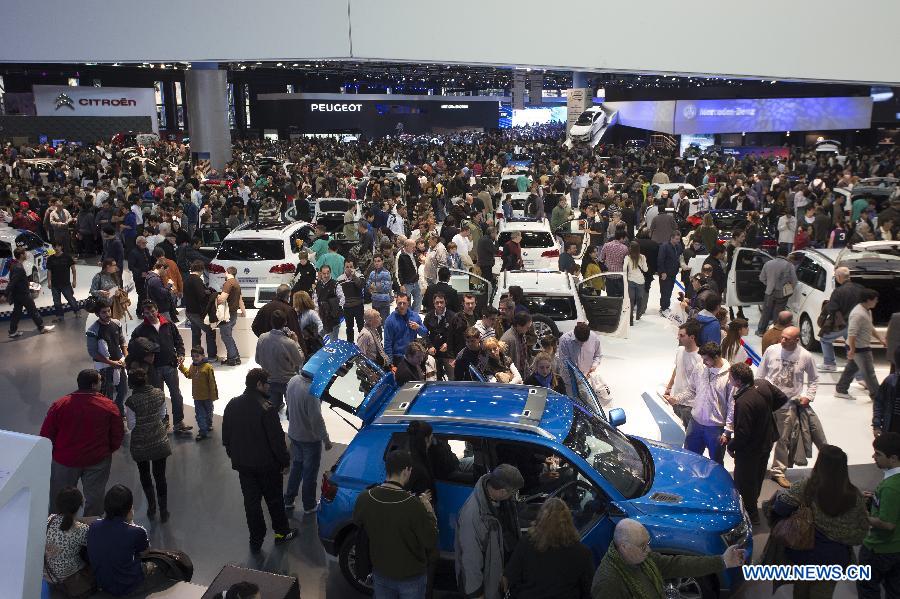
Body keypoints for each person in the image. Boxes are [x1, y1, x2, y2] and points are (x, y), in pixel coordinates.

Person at [771, 446, 869, 599]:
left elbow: (780, 507)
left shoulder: (806, 487)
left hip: (804, 552)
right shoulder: (855, 495)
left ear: (820, 464)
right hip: (835, 558)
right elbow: (862, 529)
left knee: (800, 593)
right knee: (823, 594)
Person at [222, 368, 297, 553]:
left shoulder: (232, 404)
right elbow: (277, 441)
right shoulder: (267, 408)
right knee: (274, 500)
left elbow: (226, 437)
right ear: (259, 385)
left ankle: (256, 539)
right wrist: (285, 461)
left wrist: (235, 455)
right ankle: (281, 533)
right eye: (267, 383)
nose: (269, 387)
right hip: (267, 466)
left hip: (244, 466)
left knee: (251, 503)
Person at [353, 450, 438, 599]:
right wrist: (429, 510)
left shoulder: (365, 497)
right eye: (411, 470)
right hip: (411, 577)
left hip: (380, 572)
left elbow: (359, 521)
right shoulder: (414, 505)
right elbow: (430, 540)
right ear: (406, 470)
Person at [590, 518, 744, 599]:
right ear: (624, 547)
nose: (648, 550)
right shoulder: (607, 584)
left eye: (648, 543)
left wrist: (722, 561)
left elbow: (680, 565)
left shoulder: (643, 559)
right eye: (643, 546)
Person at [41, 369, 124, 517]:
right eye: (100, 381)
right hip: (97, 460)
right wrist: (106, 451)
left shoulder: (60, 405)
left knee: (60, 496)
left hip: (65, 460)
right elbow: (117, 435)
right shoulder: (108, 406)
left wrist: (56, 453)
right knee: (95, 498)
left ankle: (58, 527)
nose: (101, 384)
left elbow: (46, 435)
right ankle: (90, 530)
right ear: (93, 385)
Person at [757, 326, 823, 489]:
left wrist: (809, 396)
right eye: (782, 337)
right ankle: (758, 467)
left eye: (787, 338)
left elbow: (814, 379)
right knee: (761, 436)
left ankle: (778, 471)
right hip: (768, 402)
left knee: (783, 439)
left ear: (797, 340)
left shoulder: (805, 356)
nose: (783, 340)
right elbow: (760, 373)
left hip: (788, 405)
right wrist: (758, 393)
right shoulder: (772, 350)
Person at [726, 362, 788, 524]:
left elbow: (742, 434)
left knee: (745, 482)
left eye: (730, 377)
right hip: (766, 442)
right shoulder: (763, 384)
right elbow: (782, 398)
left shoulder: (743, 402)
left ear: (738, 381)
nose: (729, 379)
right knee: (758, 477)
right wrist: (764, 413)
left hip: (749, 450)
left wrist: (731, 446)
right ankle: (753, 508)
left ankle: (750, 516)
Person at [455, 464, 525, 599]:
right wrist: (477, 594)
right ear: (503, 491)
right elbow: (470, 563)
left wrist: (506, 573)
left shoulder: (502, 501)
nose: (514, 496)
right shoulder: (473, 516)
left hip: (498, 577)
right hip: (484, 587)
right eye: (513, 492)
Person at [505, 498, 593, 599]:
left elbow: (511, 576)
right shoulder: (583, 553)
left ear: (540, 518)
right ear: (568, 520)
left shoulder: (526, 543)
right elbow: (587, 589)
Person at [87, 485, 164, 596]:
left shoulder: (94, 526)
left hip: (102, 583)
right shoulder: (137, 531)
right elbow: (144, 552)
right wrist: (131, 522)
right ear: (129, 509)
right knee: (157, 566)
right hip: (128, 586)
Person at [131, 300, 191, 433]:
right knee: (159, 397)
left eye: (152, 311)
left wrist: (181, 353)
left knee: (176, 395)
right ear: (144, 314)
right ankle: (163, 422)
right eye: (147, 313)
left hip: (170, 366)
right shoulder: (140, 330)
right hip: (154, 369)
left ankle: (179, 422)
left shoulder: (168, 324)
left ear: (157, 310)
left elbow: (178, 340)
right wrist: (143, 358)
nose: (151, 315)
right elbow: (133, 347)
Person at [124, 367, 171, 522]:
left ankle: (152, 507)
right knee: (160, 476)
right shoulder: (159, 393)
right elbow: (163, 415)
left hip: (140, 444)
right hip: (159, 441)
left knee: (145, 475)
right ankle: (164, 510)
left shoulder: (131, 401)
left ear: (132, 384)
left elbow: (131, 425)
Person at [284, 366, 333, 514]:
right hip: (309, 439)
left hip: (294, 434)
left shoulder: (293, 380)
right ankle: (309, 505)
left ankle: (288, 499)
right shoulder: (312, 392)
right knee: (310, 473)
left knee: (296, 468)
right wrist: (326, 439)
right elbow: (316, 420)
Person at [858, 432, 900, 599]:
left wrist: (862, 516)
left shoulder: (890, 487)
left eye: (878, 454)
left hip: (880, 548)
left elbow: (887, 524)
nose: (874, 457)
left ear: (893, 458)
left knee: (867, 588)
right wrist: (875, 498)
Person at [676, 342, 732, 464]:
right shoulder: (700, 367)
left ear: (716, 357)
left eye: (706, 359)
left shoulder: (729, 375)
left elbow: (732, 405)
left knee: (715, 464)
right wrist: (677, 399)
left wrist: (728, 431)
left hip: (716, 428)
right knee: (689, 459)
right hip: (695, 423)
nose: (703, 362)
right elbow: (692, 390)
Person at [836, 288, 886, 401]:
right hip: (859, 348)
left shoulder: (867, 311)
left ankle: (841, 389)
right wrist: (852, 350)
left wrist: (880, 339)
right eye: (875, 300)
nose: (876, 302)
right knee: (869, 372)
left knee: (851, 369)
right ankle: (877, 396)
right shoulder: (858, 314)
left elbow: (870, 326)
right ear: (868, 300)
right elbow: (852, 333)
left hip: (860, 346)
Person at [254, 310, 304, 413]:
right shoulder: (289, 343)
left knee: (271, 412)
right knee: (292, 413)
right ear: (285, 322)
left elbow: (257, 360)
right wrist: (296, 342)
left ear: (271, 322)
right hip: (288, 383)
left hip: (269, 381)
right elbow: (299, 361)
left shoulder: (262, 338)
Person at [817, 266, 863, 372]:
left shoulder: (838, 292)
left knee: (824, 339)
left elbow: (832, 309)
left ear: (838, 277)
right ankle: (856, 367)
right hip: (857, 323)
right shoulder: (860, 288)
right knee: (851, 344)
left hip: (843, 323)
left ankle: (829, 364)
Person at [44, 487, 91, 590]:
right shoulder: (82, 529)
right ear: (80, 506)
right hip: (69, 576)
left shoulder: (50, 519)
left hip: (48, 574)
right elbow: (93, 545)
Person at [86, 304, 128, 414]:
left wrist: (126, 355)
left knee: (123, 390)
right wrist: (110, 363)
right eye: (104, 312)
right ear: (97, 314)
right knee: (107, 395)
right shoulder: (93, 330)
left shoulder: (116, 323)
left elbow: (122, 340)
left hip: (119, 363)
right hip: (104, 367)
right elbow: (93, 353)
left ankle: (119, 412)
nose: (107, 314)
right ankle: (109, 415)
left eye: (108, 311)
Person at [663, 319, 704, 429]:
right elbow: (677, 369)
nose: (678, 338)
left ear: (692, 337)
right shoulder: (680, 350)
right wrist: (669, 387)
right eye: (678, 335)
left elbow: (700, 385)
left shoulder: (700, 358)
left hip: (690, 405)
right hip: (675, 400)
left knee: (688, 434)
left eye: (682, 336)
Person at [7, 247, 54, 337]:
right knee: (33, 311)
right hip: (23, 294)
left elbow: (19, 280)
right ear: (21, 255)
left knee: (17, 312)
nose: (26, 255)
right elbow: (13, 282)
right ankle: (41, 328)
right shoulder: (19, 268)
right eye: (24, 253)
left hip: (18, 294)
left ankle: (12, 331)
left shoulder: (15, 265)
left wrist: (32, 285)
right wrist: (5, 294)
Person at [178, 346, 219, 441]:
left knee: (209, 413)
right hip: (197, 397)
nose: (195, 358)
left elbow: (212, 382)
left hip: (207, 397)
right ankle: (202, 431)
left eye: (197, 356)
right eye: (193, 356)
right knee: (200, 415)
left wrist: (213, 396)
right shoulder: (193, 366)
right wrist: (181, 367)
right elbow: (188, 374)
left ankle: (208, 425)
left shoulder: (208, 367)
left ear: (203, 356)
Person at [756, 245, 797, 336]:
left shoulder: (768, 263)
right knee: (778, 314)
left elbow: (761, 278)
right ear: (786, 254)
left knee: (765, 312)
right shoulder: (790, 265)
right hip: (782, 293)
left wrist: (769, 284)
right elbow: (794, 281)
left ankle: (761, 331)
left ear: (778, 253)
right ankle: (775, 332)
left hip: (769, 292)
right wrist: (790, 290)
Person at [424, 292, 465, 381]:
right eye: (437, 302)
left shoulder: (453, 316)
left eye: (441, 302)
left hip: (448, 354)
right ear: (433, 303)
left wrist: (448, 344)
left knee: (453, 378)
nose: (439, 305)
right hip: (434, 353)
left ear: (445, 302)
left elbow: (458, 336)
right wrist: (429, 346)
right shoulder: (428, 316)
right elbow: (424, 334)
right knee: (435, 378)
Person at [183, 260, 218, 361]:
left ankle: (196, 357)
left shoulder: (187, 279)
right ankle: (211, 356)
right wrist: (208, 292)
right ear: (201, 270)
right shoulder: (197, 280)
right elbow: (201, 297)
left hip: (189, 311)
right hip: (197, 313)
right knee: (210, 331)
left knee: (196, 334)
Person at [558, 322, 603, 394]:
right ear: (575, 334)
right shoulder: (565, 340)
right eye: (579, 341)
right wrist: (577, 378)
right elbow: (564, 363)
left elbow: (598, 356)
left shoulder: (594, 337)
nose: (581, 344)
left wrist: (594, 366)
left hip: (588, 380)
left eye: (585, 341)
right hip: (570, 381)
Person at [384, 292, 428, 364]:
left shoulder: (415, 316)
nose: (401, 306)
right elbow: (387, 343)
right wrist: (390, 363)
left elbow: (424, 333)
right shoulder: (390, 320)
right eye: (399, 303)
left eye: (404, 303)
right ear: (396, 303)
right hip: (398, 357)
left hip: (413, 355)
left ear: (408, 303)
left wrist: (418, 327)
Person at [47, 240, 81, 322]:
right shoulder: (50, 258)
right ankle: (60, 316)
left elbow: (73, 269)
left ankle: (77, 311)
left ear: (61, 247)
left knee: (70, 299)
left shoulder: (67, 257)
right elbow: (49, 271)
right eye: (55, 246)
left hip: (65, 283)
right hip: (55, 284)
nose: (56, 248)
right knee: (56, 301)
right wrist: (49, 282)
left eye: (58, 246)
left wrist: (74, 281)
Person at [217, 266, 243, 366]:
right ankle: (236, 358)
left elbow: (222, 299)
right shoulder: (236, 283)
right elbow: (240, 299)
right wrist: (243, 312)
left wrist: (216, 297)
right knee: (228, 337)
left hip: (226, 315)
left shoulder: (228, 283)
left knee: (226, 337)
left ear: (226, 272)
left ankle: (232, 359)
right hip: (233, 314)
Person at [874, 347, 900, 436]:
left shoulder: (890, 380)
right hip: (891, 428)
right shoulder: (890, 381)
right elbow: (878, 402)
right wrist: (877, 425)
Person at [315, 264, 344, 341]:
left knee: (333, 341)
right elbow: (315, 298)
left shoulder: (335, 284)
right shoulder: (318, 285)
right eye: (324, 273)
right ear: (320, 273)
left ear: (330, 273)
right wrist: (317, 310)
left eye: (328, 273)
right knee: (319, 336)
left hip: (333, 318)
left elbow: (342, 298)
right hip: (323, 316)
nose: (326, 275)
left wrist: (336, 309)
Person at [656, 231, 682, 314]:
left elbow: (679, 258)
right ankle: (663, 308)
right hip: (665, 274)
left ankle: (666, 306)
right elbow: (660, 260)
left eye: (679, 239)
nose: (678, 240)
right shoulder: (664, 246)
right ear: (672, 238)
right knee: (665, 291)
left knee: (669, 290)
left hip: (673, 273)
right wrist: (663, 272)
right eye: (677, 239)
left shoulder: (678, 246)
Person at [624, 241, 647, 322]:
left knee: (631, 300)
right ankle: (638, 315)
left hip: (630, 280)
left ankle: (630, 317)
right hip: (640, 281)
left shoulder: (627, 257)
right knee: (639, 299)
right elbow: (645, 269)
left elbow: (624, 269)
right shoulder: (643, 257)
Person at [367, 253, 394, 323]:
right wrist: (371, 287)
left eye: (378, 261)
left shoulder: (386, 273)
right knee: (375, 323)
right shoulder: (372, 273)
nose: (376, 263)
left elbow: (386, 288)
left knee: (385, 323)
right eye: (375, 261)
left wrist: (374, 287)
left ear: (382, 261)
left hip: (384, 302)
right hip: (374, 301)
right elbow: (368, 284)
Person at [398, 238, 423, 313]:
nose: (414, 248)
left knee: (418, 299)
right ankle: (407, 315)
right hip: (407, 283)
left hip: (416, 281)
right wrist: (401, 284)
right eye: (413, 247)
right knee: (406, 301)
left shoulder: (414, 254)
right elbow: (400, 271)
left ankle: (414, 315)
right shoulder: (401, 256)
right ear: (407, 246)